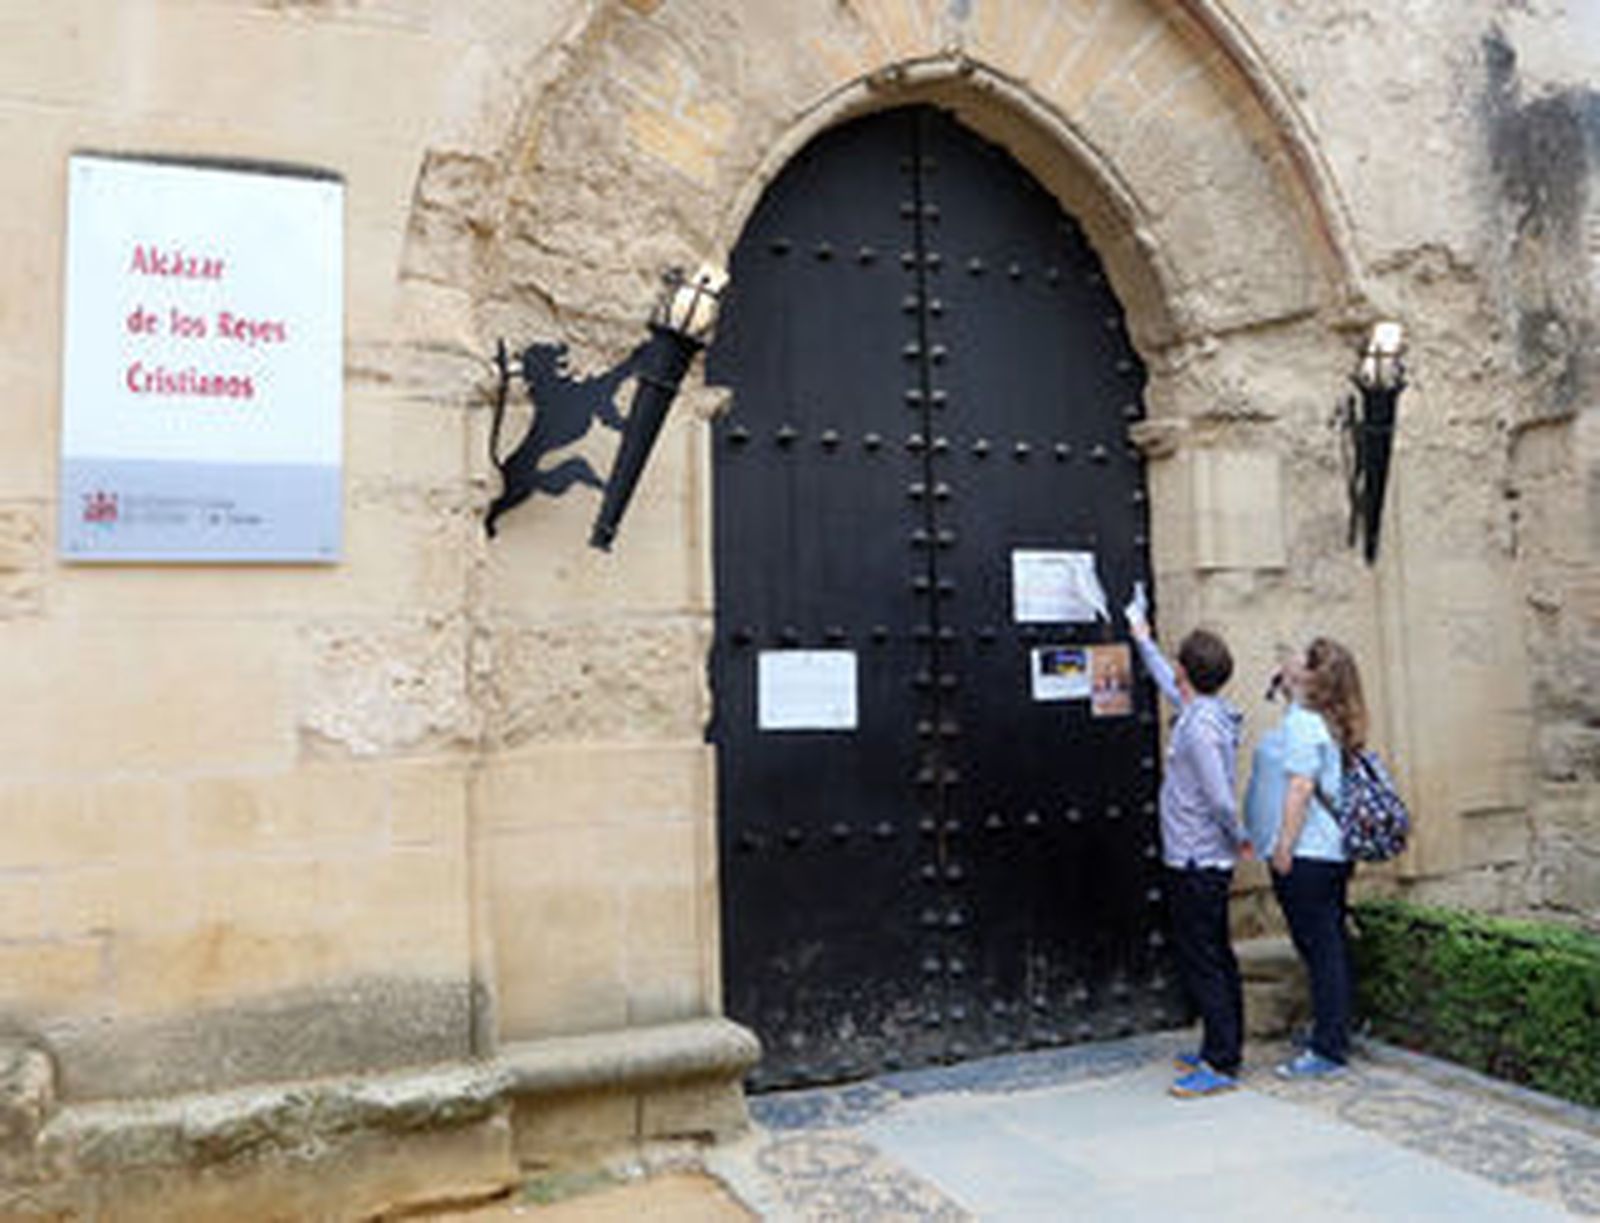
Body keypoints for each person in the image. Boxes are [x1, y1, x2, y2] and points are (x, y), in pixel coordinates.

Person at [1126, 592, 1246, 1098]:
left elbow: (1219, 797)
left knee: (1206, 956)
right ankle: (1221, 1043)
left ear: (1187, 671)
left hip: (1199, 856)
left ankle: (1220, 1061)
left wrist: (1238, 836)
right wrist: (1142, 638)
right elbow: (1163, 679)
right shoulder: (1204, 711)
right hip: (1199, 854)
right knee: (1214, 952)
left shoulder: (1199, 730)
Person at [1244, 636, 1365, 1079]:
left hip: (1308, 854)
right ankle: (1333, 1030)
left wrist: (1282, 847)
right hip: (1329, 852)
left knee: (1320, 948)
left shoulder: (1303, 725)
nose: (1288, 662)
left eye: (1298, 661)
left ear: (1310, 677)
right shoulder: (1323, 719)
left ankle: (1329, 1049)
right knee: (1327, 944)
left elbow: (1300, 788)